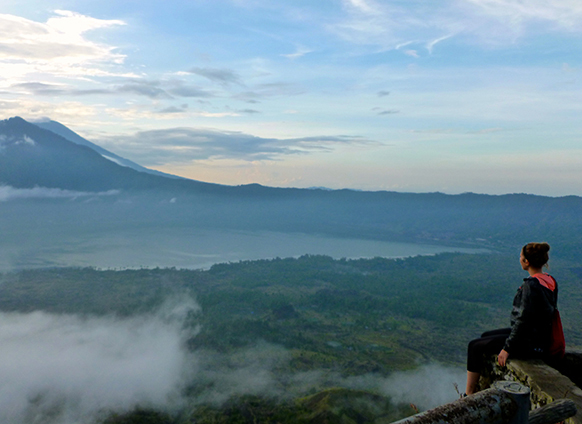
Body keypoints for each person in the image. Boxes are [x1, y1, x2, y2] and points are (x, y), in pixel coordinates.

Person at [464, 242, 558, 395]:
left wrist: (507, 348)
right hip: (539, 338)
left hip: (530, 342)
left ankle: (469, 393)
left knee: (474, 346)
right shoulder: (549, 280)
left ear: (526, 262)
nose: (519, 259)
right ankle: (480, 384)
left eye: (521, 256)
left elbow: (524, 319)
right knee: (485, 337)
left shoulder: (531, 285)